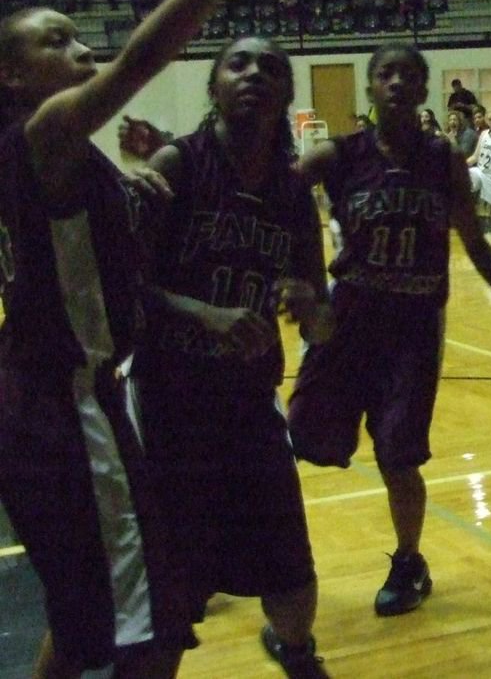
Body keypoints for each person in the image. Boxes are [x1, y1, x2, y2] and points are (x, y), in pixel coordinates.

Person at [0, 0, 292, 679]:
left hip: (40, 398)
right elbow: (142, 58)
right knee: (153, 627)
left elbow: (93, 260)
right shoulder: (43, 135)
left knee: (84, 616)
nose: (81, 47)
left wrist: (143, 190)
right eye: (56, 41)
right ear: (13, 76)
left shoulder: (68, 159)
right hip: (71, 405)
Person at [286, 41, 491, 619]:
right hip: (346, 318)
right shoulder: (339, 154)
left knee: (399, 455)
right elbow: (274, 197)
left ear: (424, 91)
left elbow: (473, 242)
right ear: (369, 88)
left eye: (409, 76)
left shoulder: (441, 158)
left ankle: (409, 561)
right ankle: (250, 555)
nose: (396, 83)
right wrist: (296, 277)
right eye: (385, 74)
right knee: (302, 438)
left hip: (415, 327)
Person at [130, 37, 334, 679]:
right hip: (171, 406)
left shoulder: (293, 193)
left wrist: (311, 305)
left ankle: (298, 654)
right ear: (213, 87)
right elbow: (121, 285)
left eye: (271, 68)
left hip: (249, 403)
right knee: (174, 592)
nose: (254, 75)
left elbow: (323, 320)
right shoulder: (179, 163)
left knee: (292, 569)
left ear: (287, 96)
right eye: (238, 64)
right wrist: (200, 312)